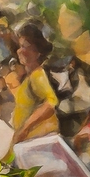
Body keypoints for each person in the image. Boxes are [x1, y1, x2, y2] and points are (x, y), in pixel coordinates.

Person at [8, 22, 59, 150]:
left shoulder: (38, 76)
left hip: (38, 143)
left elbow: (50, 104)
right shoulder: (29, 78)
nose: (20, 51)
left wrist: (25, 129)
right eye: (20, 46)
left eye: (25, 46)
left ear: (38, 52)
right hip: (29, 141)